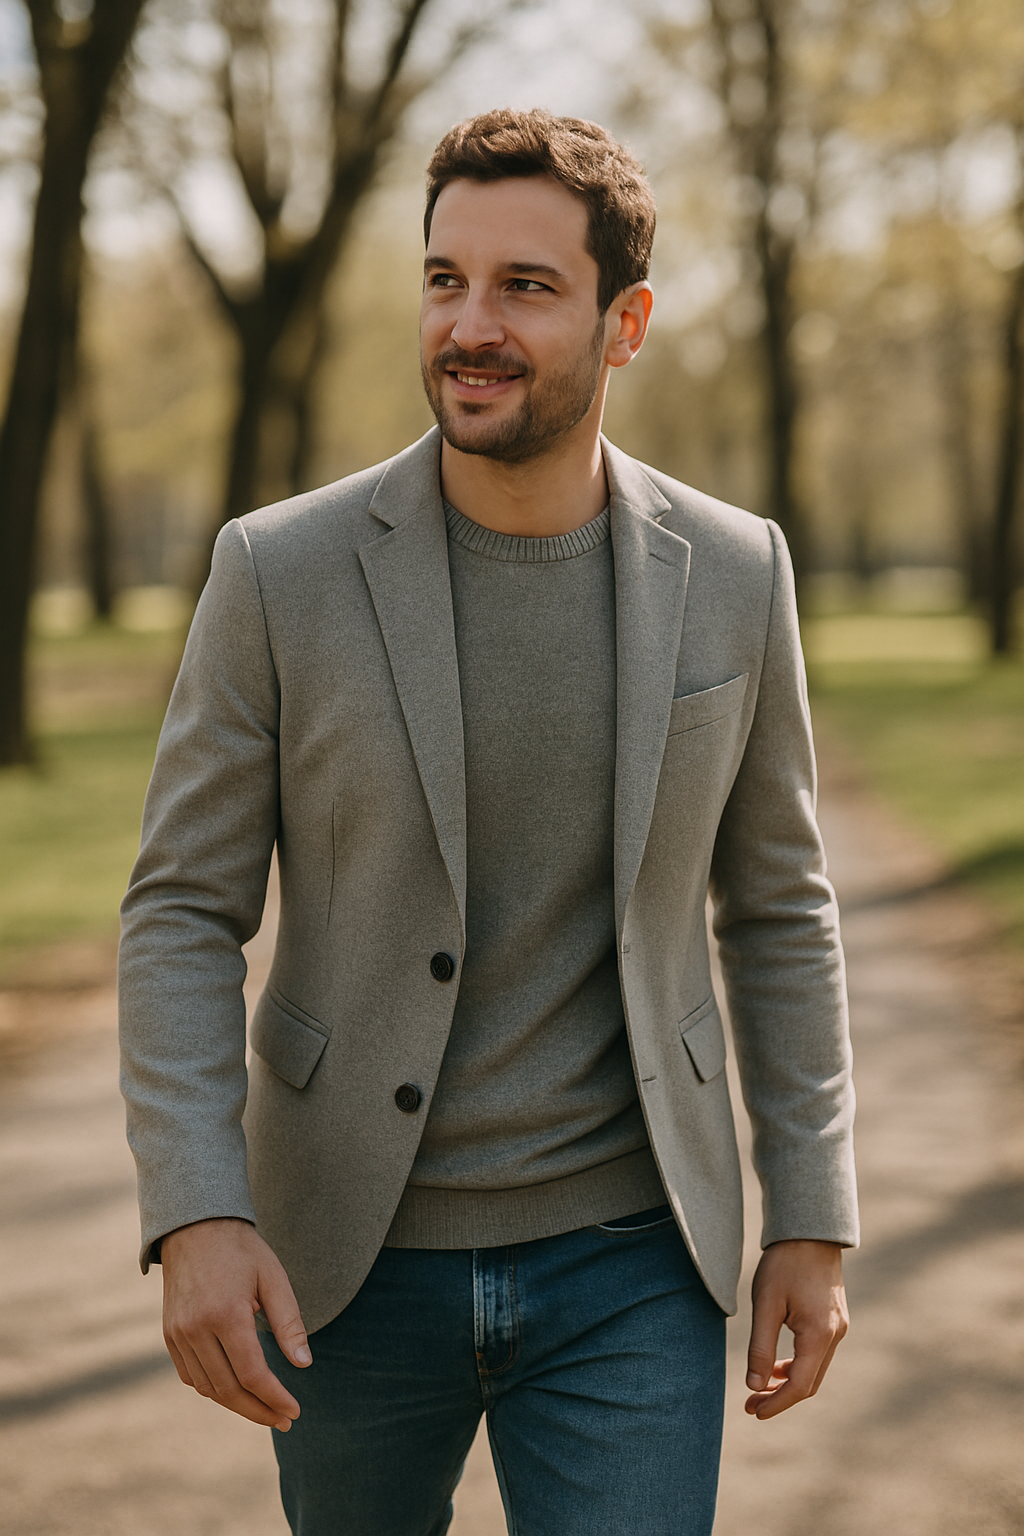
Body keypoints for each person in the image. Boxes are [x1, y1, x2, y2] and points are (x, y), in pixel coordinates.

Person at [119, 108, 857, 1536]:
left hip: (633, 1262)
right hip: (344, 1261)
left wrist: (813, 1211)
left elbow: (781, 906)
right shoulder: (278, 572)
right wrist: (197, 1208)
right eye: (445, 279)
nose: (471, 325)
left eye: (526, 286)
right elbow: (181, 909)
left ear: (624, 323)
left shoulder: (734, 572)